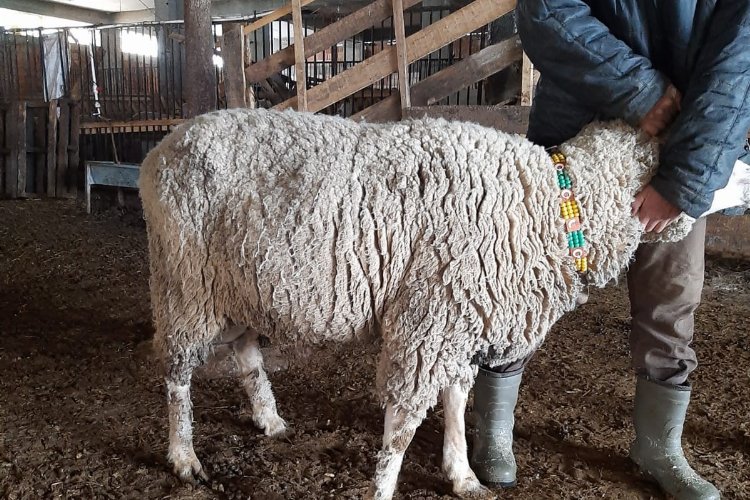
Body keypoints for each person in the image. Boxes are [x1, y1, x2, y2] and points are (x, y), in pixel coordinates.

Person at [470, 2, 750, 499]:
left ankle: (659, 446)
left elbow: (739, 60)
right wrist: (642, 92)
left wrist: (684, 181)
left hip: (681, 142)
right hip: (578, 139)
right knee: (529, 284)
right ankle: (492, 427)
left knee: (672, 295)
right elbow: (545, 10)